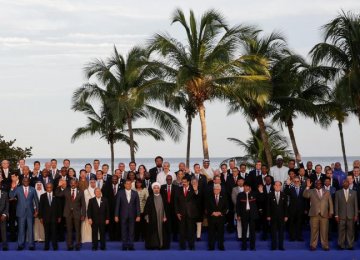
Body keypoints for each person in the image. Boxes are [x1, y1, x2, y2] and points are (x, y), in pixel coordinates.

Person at [55, 178, 86, 251]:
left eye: (74, 183)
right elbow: (57, 194)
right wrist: (58, 186)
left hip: (77, 214)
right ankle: (70, 245)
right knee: (69, 230)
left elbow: (83, 204)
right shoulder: (66, 190)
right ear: (69, 184)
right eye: (71, 182)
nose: (72, 184)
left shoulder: (81, 192)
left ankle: (78, 245)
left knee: (78, 230)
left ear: (77, 183)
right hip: (68, 213)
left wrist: (83, 214)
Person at [303, 179, 333, 251]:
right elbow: (305, 195)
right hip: (314, 214)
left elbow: (330, 203)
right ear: (315, 184)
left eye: (320, 183)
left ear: (322, 184)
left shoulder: (327, 192)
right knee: (314, 231)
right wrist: (307, 187)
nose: (318, 184)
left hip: (325, 214)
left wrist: (331, 212)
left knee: (324, 231)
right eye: (317, 183)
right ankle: (313, 245)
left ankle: (325, 245)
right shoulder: (311, 191)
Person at [9, 177, 39, 250]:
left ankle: (31, 245)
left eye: (27, 181)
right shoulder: (18, 189)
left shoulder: (33, 189)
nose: (26, 182)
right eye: (24, 181)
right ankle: (20, 245)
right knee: (21, 229)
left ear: (29, 182)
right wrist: (12, 188)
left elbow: (36, 201)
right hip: (20, 212)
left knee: (30, 229)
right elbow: (11, 196)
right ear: (22, 181)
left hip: (30, 212)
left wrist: (37, 211)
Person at [236, 182, 264, 250]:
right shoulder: (240, 195)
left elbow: (261, 200)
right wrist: (238, 215)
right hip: (243, 215)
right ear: (243, 187)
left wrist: (261, 192)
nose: (246, 187)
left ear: (250, 187)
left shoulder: (254, 194)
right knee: (244, 231)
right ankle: (244, 246)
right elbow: (238, 206)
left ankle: (252, 246)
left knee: (252, 232)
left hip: (252, 215)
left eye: (248, 186)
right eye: (245, 186)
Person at [114, 179, 141, 250]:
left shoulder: (135, 193)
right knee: (123, 230)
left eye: (130, 184)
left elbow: (137, 205)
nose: (128, 185)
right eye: (127, 184)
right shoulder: (120, 192)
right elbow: (117, 205)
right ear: (124, 185)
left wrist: (138, 215)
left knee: (132, 231)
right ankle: (124, 245)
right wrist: (116, 215)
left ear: (131, 185)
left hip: (133, 215)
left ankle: (131, 245)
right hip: (123, 215)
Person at [175, 176, 199, 250]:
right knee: (182, 231)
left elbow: (197, 198)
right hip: (181, 214)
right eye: (183, 182)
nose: (184, 183)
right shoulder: (178, 189)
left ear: (188, 182)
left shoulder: (193, 189)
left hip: (190, 213)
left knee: (191, 231)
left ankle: (191, 246)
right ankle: (182, 246)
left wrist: (195, 191)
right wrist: (177, 212)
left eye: (185, 182)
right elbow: (176, 202)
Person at [144, 182, 169, 249]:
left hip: (161, 217)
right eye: (154, 188)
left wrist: (165, 216)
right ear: (152, 189)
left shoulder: (163, 197)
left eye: (157, 188)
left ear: (159, 189)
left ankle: (162, 245)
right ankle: (154, 245)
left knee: (162, 231)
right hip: (152, 218)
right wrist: (147, 217)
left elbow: (166, 208)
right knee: (153, 231)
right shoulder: (150, 198)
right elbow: (146, 209)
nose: (156, 189)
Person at [334, 179, 358, 250]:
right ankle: (340, 244)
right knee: (341, 231)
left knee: (350, 231)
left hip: (351, 215)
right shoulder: (338, 193)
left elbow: (355, 205)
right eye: (344, 182)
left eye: (347, 182)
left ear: (349, 183)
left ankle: (350, 245)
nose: (345, 183)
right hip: (341, 216)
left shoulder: (354, 192)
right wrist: (336, 215)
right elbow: (336, 205)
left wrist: (356, 215)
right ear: (342, 184)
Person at [39, 183, 61, 251]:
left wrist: (59, 216)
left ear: (52, 187)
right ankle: (46, 246)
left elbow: (59, 207)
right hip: (45, 218)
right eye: (47, 187)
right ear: (46, 188)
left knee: (54, 232)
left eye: (50, 187)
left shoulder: (56, 196)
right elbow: (41, 207)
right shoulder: (42, 196)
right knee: (46, 233)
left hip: (54, 217)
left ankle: (55, 246)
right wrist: (41, 217)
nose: (49, 188)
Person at [267, 181, 288, 250]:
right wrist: (268, 215)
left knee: (281, 232)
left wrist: (286, 216)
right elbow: (268, 206)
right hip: (273, 217)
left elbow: (286, 207)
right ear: (274, 186)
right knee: (273, 232)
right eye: (276, 185)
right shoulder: (270, 195)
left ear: (281, 186)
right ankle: (273, 246)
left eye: (279, 185)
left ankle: (281, 246)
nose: (278, 187)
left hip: (282, 217)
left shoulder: (284, 195)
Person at [206, 184, 228, 250]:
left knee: (221, 233)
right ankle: (211, 246)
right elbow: (206, 207)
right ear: (213, 190)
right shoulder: (209, 196)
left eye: (218, 189)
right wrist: (212, 213)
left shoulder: (224, 197)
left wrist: (220, 213)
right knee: (211, 233)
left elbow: (226, 207)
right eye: (215, 189)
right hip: (212, 217)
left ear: (220, 190)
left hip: (220, 218)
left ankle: (221, 246)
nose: (216, 190)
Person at [284, 177, 306, 241]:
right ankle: (292, 237)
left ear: (300, 182)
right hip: (292, 210)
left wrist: (305, 209)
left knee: (299, 224)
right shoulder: (291, 189)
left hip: (301, 210)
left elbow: (305, 200)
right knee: (291, 224)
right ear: (293, 182)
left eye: (298, 181)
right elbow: (285, 192)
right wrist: (287, 185)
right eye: (295, 181)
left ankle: (299, 237)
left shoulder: (303, 189)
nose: (296, 182)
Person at [160, 175, 177, 242]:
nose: (169, 180)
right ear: (166, 180)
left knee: (175, 223)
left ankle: (175, 236)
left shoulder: (176, 187)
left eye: (170, 179)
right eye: (168, 179)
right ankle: (167, 236)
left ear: (172, 180)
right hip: (165, 208)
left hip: (174, 208)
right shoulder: (162, 187)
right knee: (167, 223)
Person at [81, 177, 96, 243]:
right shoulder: (86, 191)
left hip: (96, 211)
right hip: (87, 210)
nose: (93, 184)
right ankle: (87, 238)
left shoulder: (98, 190)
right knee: (87, 224)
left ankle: (96, 238)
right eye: (91, 182)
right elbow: (83, 202)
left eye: (94, 182)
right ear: (89, 183)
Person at [0, 185, 9, 251]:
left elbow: (7, 205)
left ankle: (4, 245)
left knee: (3, 230)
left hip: (2, 215)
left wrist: (4, 214)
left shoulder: (5, 193)